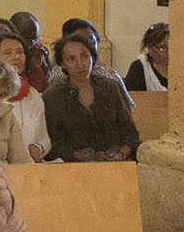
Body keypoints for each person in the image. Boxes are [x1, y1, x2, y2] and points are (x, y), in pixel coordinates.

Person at [42, 33, 141, 163]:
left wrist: (121, 154)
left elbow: (130, 133)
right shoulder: (52, 96)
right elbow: (54, 143)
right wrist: (86, 157)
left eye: (84, 56)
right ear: (62, 64)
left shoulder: (112, 87)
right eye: (71, 59)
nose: (80, 64)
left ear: (92, 57)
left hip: (117, 161)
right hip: (74, 166)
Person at [0, 31, 48, 161]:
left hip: (30, 166)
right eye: (8, 53)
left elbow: (44, 136)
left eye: (20, 52)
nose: (16, 57)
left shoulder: (33, 94)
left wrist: (40, 147)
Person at [11, 11, 51, 93]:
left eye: (35, 40)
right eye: (27, 41)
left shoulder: (40, 52)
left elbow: (48, 84)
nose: (32, 45)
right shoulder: (1, 56)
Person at [126, 22, 170, 92]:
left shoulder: (183, 66)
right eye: (161, 48)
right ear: (149, 47)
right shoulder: (139, 67)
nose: (168, 52)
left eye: (171, 48)